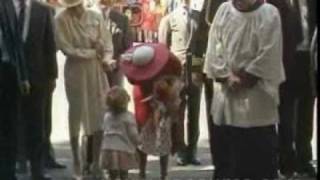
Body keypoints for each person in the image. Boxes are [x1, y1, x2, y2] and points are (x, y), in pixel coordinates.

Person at [203, 0, 284, 179]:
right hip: (227, 103)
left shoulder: (269, 14)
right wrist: (226, 76)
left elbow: (270, 52)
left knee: (259, 165)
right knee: (228, 164)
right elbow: (213, 49)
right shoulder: (223, 11)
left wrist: (246, 77)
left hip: (257, 106)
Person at [55, 0, 114, 178]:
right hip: (76, 70)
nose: (77, 8)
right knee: (77, 114)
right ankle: (77, 160)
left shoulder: (95, 16)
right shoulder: (60, 19)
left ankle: (97, 162)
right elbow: (66, 48)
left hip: (96, 70)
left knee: (99, 114)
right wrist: (90, 52)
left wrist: (105, 58)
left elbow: (107, 43)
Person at [120, 43, 183, 180]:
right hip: (144, 101)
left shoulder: (169, 61)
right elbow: (131, 79)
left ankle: (160, 174)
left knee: (161, 137)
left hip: (163, 100)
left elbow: (177, 71)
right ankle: (144, 172)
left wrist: (169, 86)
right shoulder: (137, 66)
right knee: (143, 139)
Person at [158, 0, 202, 166]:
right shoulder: (169, 19)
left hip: (196, 71)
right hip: (177, 71)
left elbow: (202, 43)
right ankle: (180, 150)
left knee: (195, 113)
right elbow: (163, 49)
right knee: (178, 113)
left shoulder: (198, 16)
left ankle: (193, 150)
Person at [278, 0, 317, 177]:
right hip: (287, 61)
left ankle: (304, 159)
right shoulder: (279, 3)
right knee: (286, 114)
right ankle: (286, 161)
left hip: (308, 60)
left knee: (307, 110)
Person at [0, 1, 30, 179]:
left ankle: (8, 172)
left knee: (9, 124)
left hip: (8, 70)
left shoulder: (7, 5)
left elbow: (16, 42)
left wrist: (23, 75)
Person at [99, 86, 140, 180]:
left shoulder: (107, 116)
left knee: (112, 174)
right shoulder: (128, 117)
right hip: (123, 149)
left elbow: (104, 130)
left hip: (108, 149)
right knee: (124, 173)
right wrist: (138, 142)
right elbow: (132, 134)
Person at [99, 0, 132, 87]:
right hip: (94, 69)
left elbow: (128, 47)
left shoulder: (122, 19)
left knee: (115, 97)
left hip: (115, 70)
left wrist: (118, 61)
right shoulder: (88, 18)